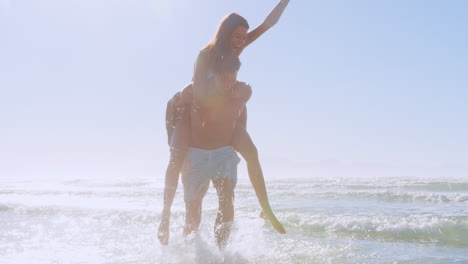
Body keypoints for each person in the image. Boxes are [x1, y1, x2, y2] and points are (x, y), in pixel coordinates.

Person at [158, 0, 290, 246]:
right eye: (237, 36)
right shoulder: (205, 55)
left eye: (243, 37)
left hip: (223, 113)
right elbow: (198, 95)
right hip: (190, 110)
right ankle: (165, 215)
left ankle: (263, 209)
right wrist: (236, 94)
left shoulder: (234, 52)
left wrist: (285, 2)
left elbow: (267, 24)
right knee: (175, 160)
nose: (241, 41)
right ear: (227, 33)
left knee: (250, 154)